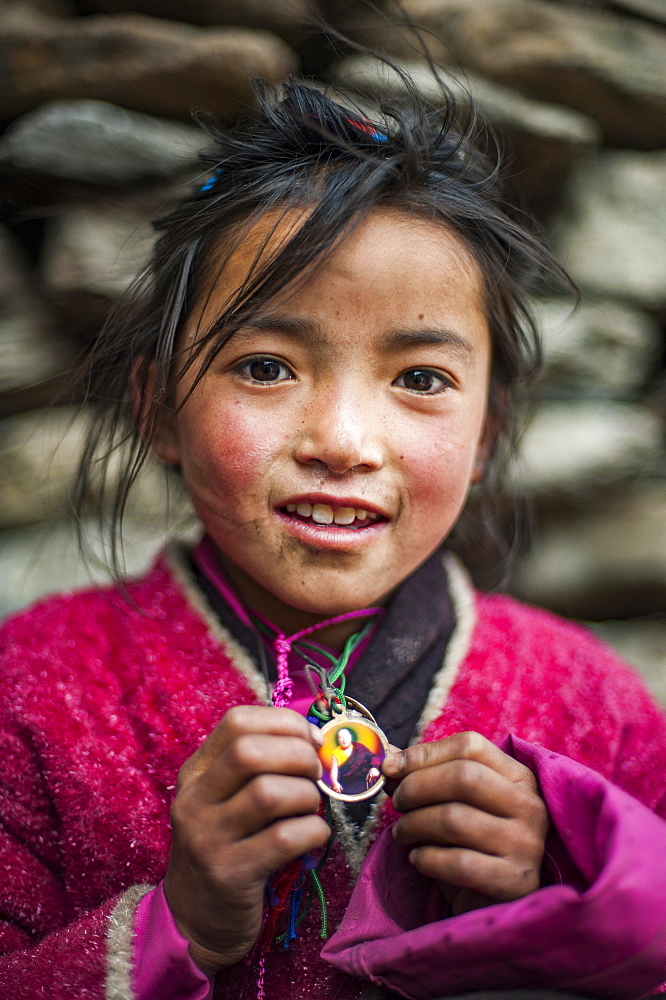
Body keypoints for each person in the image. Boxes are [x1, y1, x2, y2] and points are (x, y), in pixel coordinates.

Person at [0, 75, 664, 1000]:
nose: (344, 443)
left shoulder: (596, 704)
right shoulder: (30, 691)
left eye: (422, 378)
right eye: (266, 366)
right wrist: (177, 924)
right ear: (157, 410)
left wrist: (559, 895)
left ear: (486, 430)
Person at [329, 728, 382, 796]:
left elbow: (372, 757)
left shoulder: (359, 746)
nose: (344, 739)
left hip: (366, 780)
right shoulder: (336, 753)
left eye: (346, 736)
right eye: (341, 738)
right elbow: (334, 770)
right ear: (338, 740)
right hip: (348, 784)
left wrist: (375, 768)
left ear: (350, 736)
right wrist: (334, 782)